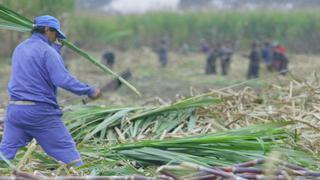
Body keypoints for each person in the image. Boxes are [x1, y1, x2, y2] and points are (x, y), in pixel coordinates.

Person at [0, 15, 101, 166]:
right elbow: (62, 79)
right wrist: (89, 90)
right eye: (55, 34)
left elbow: (37, 64)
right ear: (48, 30)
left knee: (4, 154)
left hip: (16, 111)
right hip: (39, 113)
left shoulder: (20, 48)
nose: (55, 38)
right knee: (68, 153)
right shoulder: (48, 52)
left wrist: (55, 49)